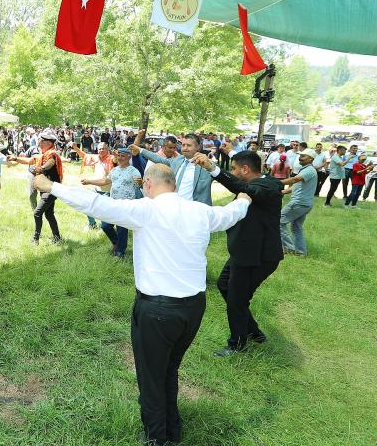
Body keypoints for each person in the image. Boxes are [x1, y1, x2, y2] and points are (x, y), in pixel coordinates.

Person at [32, 165, 250, 446]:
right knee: (168, 368)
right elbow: (228, 216)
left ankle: (158, 444)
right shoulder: (199, 211)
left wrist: (51, 186)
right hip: (193, 308)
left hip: (158, 309)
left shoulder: (147, 209)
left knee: (151, 377)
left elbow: (97, 204)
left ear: (148, 184)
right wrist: (243, 200)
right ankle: (173, 427)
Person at [193, 146, 283, 356]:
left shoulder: (267, 187)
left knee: (237, 301)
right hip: (242, 254)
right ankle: (254, 333)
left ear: (244, 170)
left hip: (258, 258)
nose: (232, 173)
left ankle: (237, 344)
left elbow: (246, 190)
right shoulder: (257, 185)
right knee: (224, 285)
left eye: (233, 169)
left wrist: (213, 169)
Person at [80, 147, 141, 258]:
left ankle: (119, 253)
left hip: (126, 205)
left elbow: (140, 186)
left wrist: (141, 183)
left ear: (129, 157)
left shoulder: (134, 171)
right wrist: (89, 181)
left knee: (122, 228)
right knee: (105, 225)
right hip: (113, 203)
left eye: (123, 156)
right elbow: (105, 181)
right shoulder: (114, 170)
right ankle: (116, 243)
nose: (120, 158)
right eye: (119, 155)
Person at [8, 129, 64, 245]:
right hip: (45, 188)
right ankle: (57, 237)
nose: (39, 142)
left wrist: (42, 168)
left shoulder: (51, 154)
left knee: (37, 212)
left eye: (41, 141)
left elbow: (51, 163)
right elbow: (29, 160)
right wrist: (15, 158)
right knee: (49, 214)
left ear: (49, 143)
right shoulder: (42, 155)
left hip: (52, 189)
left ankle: (35, 239)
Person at [130, 133, 212, 205]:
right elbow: (159, 159)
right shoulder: (178, 160)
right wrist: (140, 150)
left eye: (189, 145)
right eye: (183, 145)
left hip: (194, 210)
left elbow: (220, 175)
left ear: (198, 147)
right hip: (174, 207)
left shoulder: (207, 165)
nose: (185, 148)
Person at [279, 149, 318, 256]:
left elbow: (294, 180)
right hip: (304, 204)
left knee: (279, 222)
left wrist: (275, 182)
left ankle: (289, 248)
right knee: (296, 227)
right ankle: (301, 252)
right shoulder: (306, 170)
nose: (300, 158)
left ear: (311, 159)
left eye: (303, 156)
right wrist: (280, 191)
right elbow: (295, 186)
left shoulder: (309, 170)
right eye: (300, 156)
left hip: (299, 203)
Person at [71, 140, 113, 231]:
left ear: (108, 149)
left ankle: (106, 228)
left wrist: (89, 181)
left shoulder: (112, 159)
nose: (101, 150)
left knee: (104, 214)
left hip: (108, 192)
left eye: (103, 149)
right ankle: (92, 225)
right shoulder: (96, 158)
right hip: (96, 189)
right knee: (86, 204)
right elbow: (85, 156)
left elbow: (106, 181)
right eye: (99, 149)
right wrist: (75, 148)